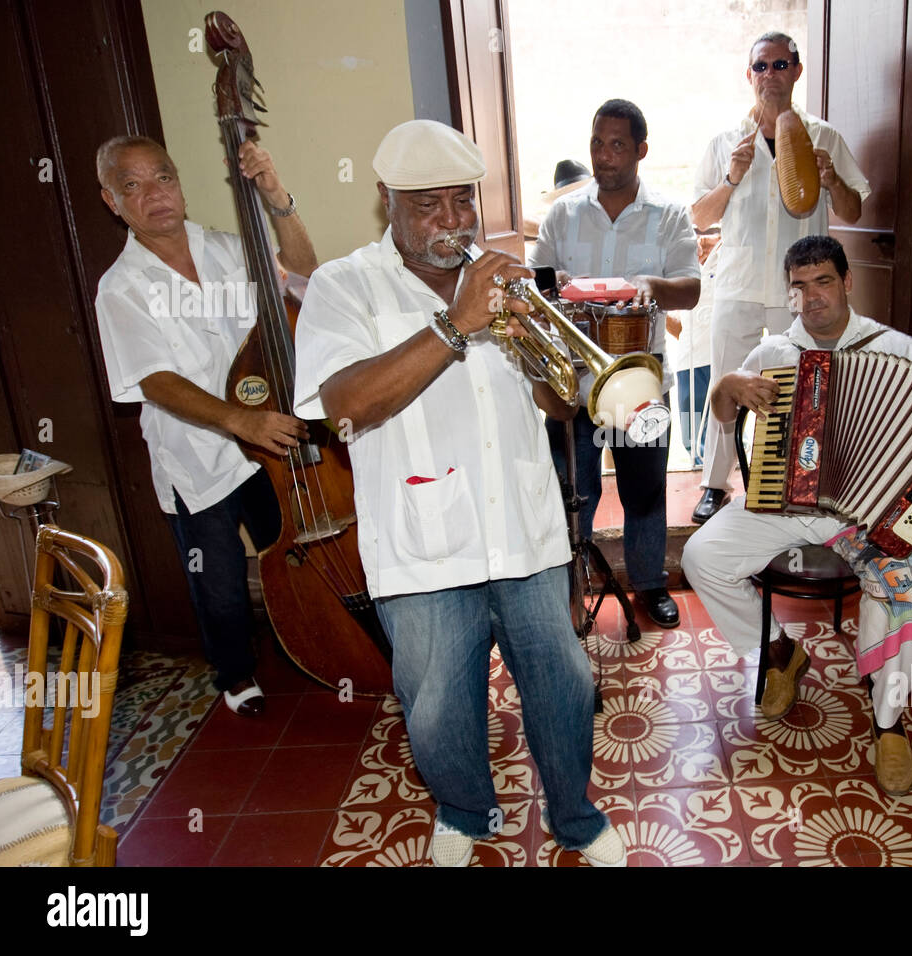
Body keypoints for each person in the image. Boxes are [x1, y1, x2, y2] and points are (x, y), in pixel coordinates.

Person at [293, 119, 625, 868]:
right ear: (386, 203)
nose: (451, 222)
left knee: (563, 684)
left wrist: (549, 349)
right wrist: (453, 327)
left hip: (526, 530)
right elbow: (342, 405)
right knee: (438, 705)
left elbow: (559, 406)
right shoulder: (344, 287)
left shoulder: (503, 276)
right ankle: (466, 812)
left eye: (462, 202)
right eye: (427, 206)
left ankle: (576, 815)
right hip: (421, 540)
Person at [682, 236, 912, 795]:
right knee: (700, 555)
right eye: (799, 287)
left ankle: (890, 722)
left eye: (823, 282)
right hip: (787, 505)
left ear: (848, 282)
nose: (811, 298)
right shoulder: (772, 354)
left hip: (872, 512)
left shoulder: (896, 348)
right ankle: (781, 652)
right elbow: (721, 411)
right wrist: (724, 385)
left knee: (905, 588)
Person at [93, 134, 317, 718]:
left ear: (180, 182)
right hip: (195, 457)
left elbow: (305, 273)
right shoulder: (121, 288)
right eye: (131, 186)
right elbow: (156, 381)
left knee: (296, 553)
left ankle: (319, 642)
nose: (154, 195)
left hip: (265, 441)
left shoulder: (226, 247)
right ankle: (236, 674)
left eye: (162, 177)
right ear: (111, 201)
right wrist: (239, 420)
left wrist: (275, 196)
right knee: (217, 579)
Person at [530, 99, 700, 629]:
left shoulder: (669, 216)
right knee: (570, 490)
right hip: (572, 385)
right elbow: (538, 282)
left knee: (644, 491)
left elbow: (692, 290)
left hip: (639, 387)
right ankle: (569, 588)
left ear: (641, 151)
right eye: (597, 144)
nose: (604, 156)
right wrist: (558, 291)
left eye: (617, 145)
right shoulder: (562, 214)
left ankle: (649, 584)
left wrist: (653, 286)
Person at [690, 31, 870, 524]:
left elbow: (853, 211)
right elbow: (698, 217)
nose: (771, 75)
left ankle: (806, 482)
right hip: (739, 284)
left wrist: (831, 180)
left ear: (797, 70)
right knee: (726, 384)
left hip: (801, 290)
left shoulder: (825, 137)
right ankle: (714, 483)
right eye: (761, 66)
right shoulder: (725, 142)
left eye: (781, 64)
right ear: (749, 76)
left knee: (808, 386)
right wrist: (730, 178)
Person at [667, 231, 722, 466]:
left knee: (726, 435)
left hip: (723, 358)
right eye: (698, 231)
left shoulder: (728, 255)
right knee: (694, 443)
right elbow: (678, 326)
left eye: (709, 231)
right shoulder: (682, 263)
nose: (702, 238)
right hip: (689, 364)